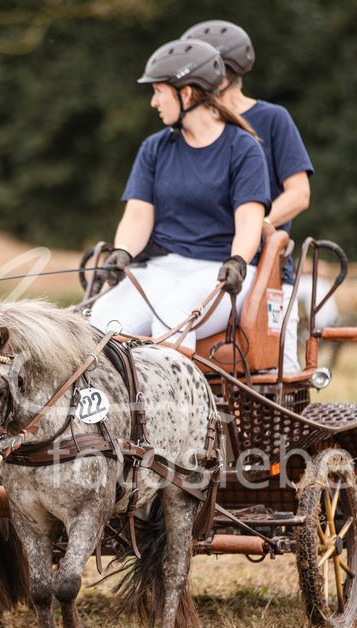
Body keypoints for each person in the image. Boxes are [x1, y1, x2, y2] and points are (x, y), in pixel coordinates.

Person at [89, 38, 270, 350]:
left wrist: (238, 259)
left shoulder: (243, 149)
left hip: (221, 274)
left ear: (186, 93)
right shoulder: (154, 148)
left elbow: (250, 221)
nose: (153, 102)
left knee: (172, 314)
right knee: (101, 320)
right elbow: (136, 216)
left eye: (158, 91)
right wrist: (123, 251)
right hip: (164, 267)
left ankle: (172, 399)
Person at [182, 20, 314, 372]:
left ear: (222, 76)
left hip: (264, 273)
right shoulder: (192, 129)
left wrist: (258, 225)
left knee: (278, 372)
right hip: (204, 268)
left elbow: (299, 194)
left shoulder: (272, 120)